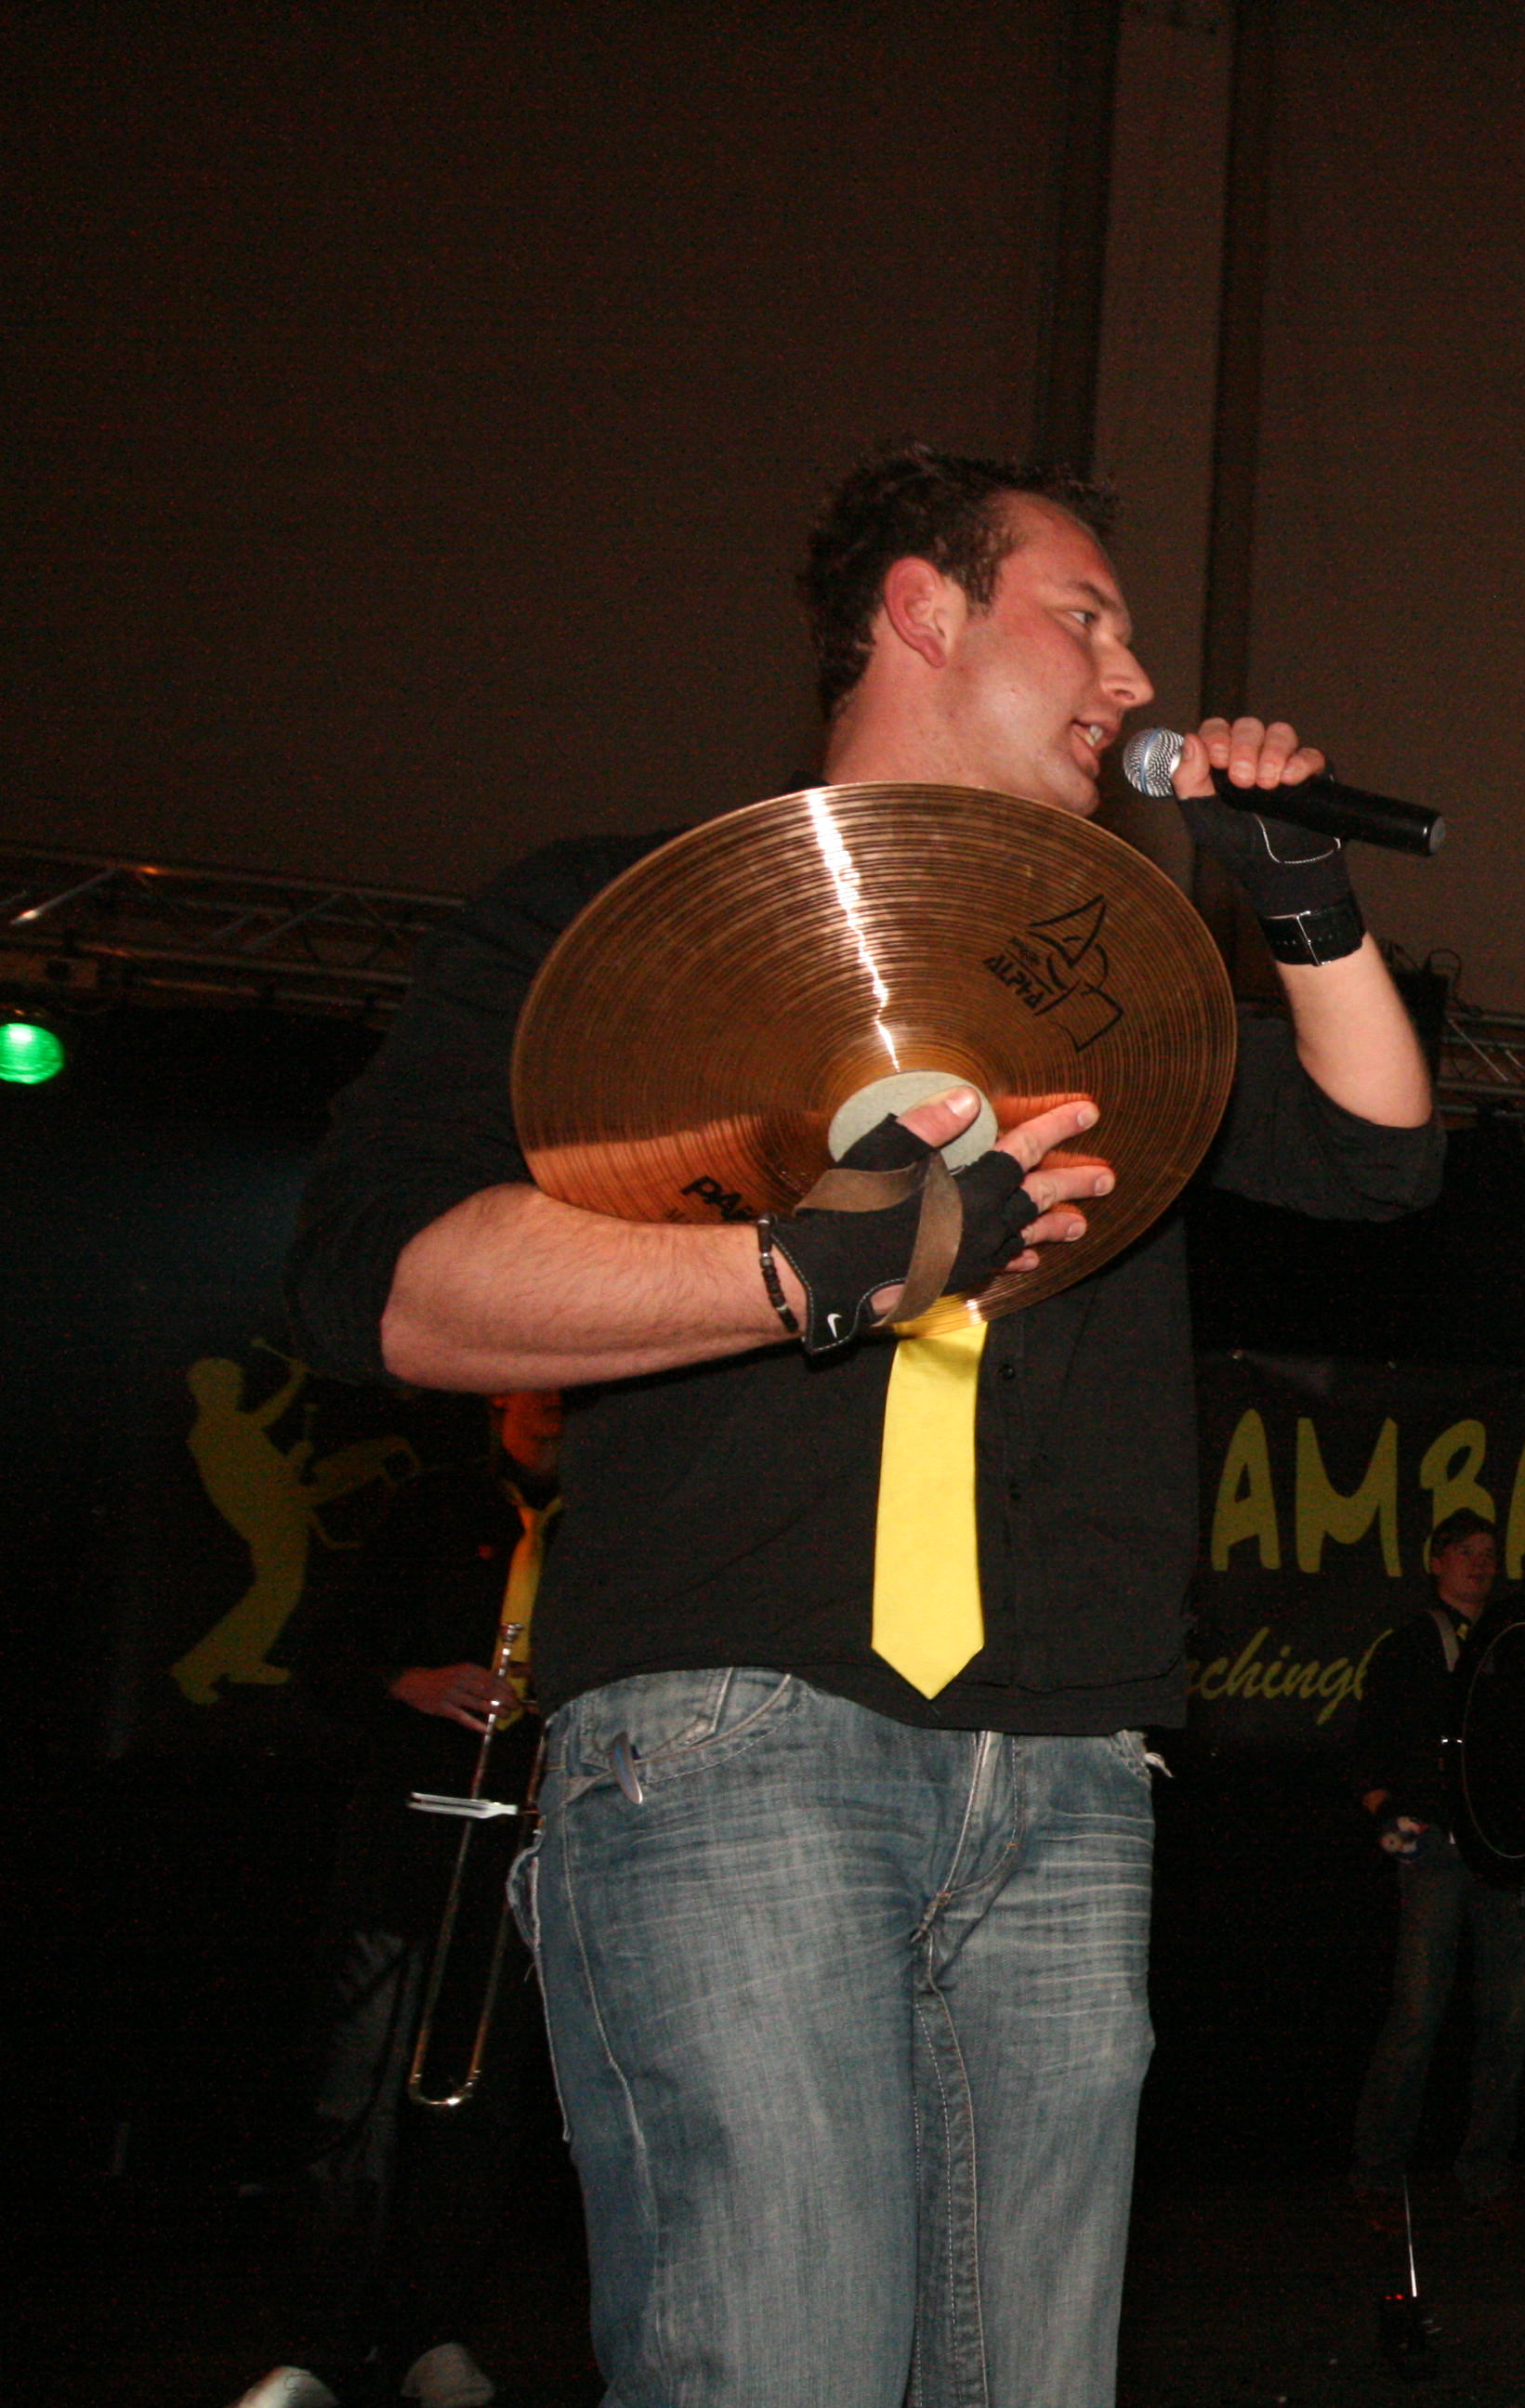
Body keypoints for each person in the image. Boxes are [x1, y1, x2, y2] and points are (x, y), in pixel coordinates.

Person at [282, 444, 1442, 2408]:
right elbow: (391, 1286)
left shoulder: (1106, 981)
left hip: (1068, 1761)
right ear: (924, 610)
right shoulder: (614, 927)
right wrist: (818, 1265)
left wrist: (1298, 892)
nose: (1133, 679)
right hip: (738, 1736)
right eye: (1086, 617)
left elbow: (1379, 1153)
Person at [230, 1392, 566, 2408]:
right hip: (408, 1824)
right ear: (501, 1387)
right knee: (356, 2086)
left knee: (477, 2095)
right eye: (536, 1377)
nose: (554, 1399)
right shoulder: (429, 1505)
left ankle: (436, 2333)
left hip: (530, 1833)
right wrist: (408, 1681)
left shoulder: (614, 1511)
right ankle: (322, 2345)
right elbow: (322, 1656)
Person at [1344, 1512, 1525, 2221]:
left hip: (1508, 1852)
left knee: (1506, 2024)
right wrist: (1396, 1831)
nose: (1480, 1564)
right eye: (1465, 1552)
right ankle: (1377, 2174)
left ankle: (1486, 2174)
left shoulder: (1521, 1646)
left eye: (1489, 1553)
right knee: (1417, 2015)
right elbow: (1367, 1754)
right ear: (1435, 1562)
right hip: (1435, 1850)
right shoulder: (1408, 1644)